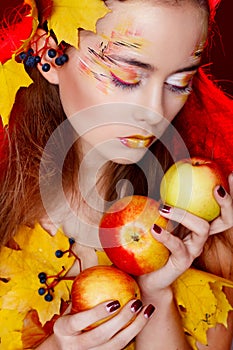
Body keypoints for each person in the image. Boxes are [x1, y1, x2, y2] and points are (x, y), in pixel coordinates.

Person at [0, 0, 233, 349]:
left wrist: (158, 293)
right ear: (49, 55)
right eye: (125, 76)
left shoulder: (208, 233)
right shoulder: (6, 212)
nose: (154, 113)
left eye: (179, 82)